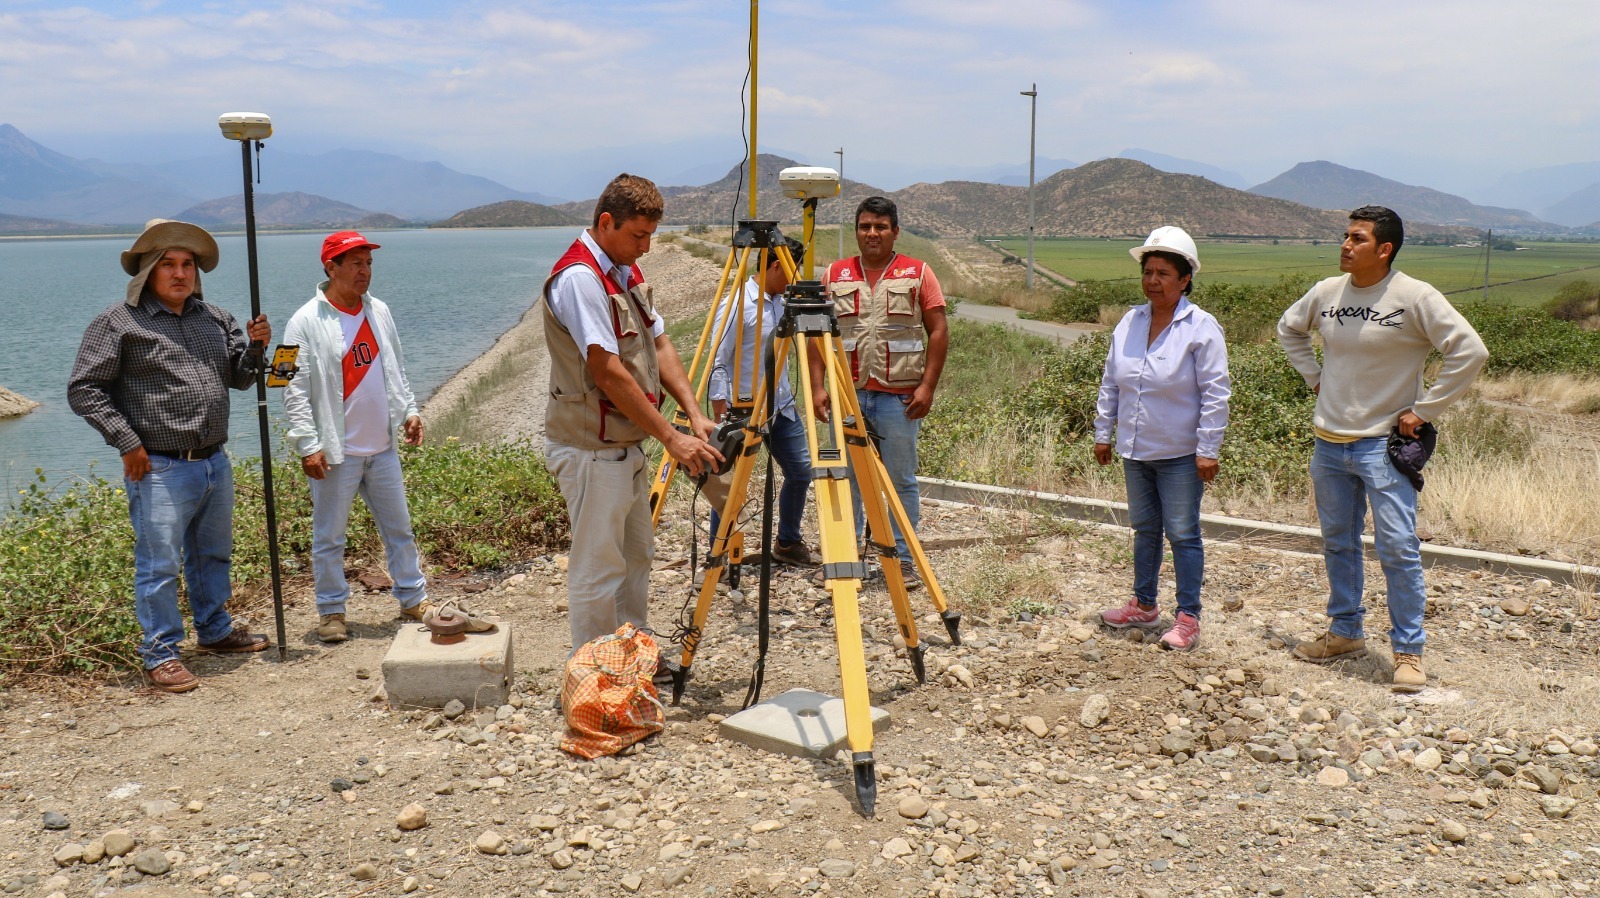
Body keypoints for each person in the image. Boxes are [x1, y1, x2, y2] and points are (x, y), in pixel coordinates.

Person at [1278, 206, 1488, 692]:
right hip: (1329, 443)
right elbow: (1289, 328)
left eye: (1357, 238)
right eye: (1345, 236)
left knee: (1397, 548)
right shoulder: (1328, 293)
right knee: (1338, 544)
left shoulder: (1415, 296)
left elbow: (1469, 350)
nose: (1345, 245)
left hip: (1382, 448)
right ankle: (1345, 633)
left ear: (1385, 248)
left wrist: (1425, 409)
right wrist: (1315, 377)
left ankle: (1408, 652)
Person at [68, 219, 272, 693]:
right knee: (159, 565)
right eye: (168, 265)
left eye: (187, 265)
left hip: (212, 461)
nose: (180, 274)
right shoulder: (118, 322)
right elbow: (84, 389)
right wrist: (126, 441)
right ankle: (160, 653)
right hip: (158, 464)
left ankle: (216, 632)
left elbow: (240, 378)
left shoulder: (215, 318)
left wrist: (257, 347)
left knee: (211, 554)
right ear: (147, 272)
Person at [541, 173, 722, 652]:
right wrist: (671, 437)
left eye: (650, 236)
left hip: (624, 446)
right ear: (606, 222)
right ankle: (597, 675)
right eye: (638, 235)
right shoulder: (581, 278)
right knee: (598, 568)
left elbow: (659, 344)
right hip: (589, 450)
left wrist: (692, 412)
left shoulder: (624, 270)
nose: (644, 248)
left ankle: (631, 654)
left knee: (635, 556)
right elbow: (607, 371)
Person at [282, 231, 433, 644]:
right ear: (330, 268)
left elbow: (394, 367)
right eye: (355, 264)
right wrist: (307, 445)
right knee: (329, 536)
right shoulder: (303, 321)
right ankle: (331, 611)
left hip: (382, 449)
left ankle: (412, 598)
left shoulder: (378, 310)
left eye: (368, 263)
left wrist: (410, 411)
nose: (365, 271)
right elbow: (289, 387)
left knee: (399, 528)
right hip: (337, 453)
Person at [1094, 227, 1231, 651]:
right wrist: (1104, 432)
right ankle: (1144, 604)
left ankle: (1188, 617)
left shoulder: (1201, 327)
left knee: (1184, 534)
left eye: (1164, 273)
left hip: (1180, 455)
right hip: (1135, 450)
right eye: (1148, 272)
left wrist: (1208, 449)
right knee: (1145, 529)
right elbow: (1111, 382)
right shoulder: (1130, 321)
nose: (1154, 281)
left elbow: (1216, 392)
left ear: (1185, 278)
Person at [811, 196, 949, 587]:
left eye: (880, 226)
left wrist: (928, 387)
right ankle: (849, 556)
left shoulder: (918, 272)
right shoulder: (834, 275)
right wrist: (819, 387)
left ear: (895, 231)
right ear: (856, 231)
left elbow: (938, 330)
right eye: (865, 226)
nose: (872, 233)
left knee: (900, 480)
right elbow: (818, 337)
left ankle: (904, 560)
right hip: (847, 395)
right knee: (849, 478)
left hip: (899, 398)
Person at [705, 236, 815, 566]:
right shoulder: (738, 303)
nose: (796, 278)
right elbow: (717, 358)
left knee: (801, 472)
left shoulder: (784, 300)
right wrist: (720, 405)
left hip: (780, 406)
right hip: (743, 409)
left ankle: (787, 541)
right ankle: (718, 557)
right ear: (778, 265)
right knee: (730, 487)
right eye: (793, 270)